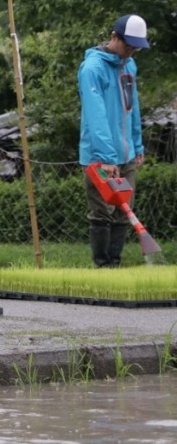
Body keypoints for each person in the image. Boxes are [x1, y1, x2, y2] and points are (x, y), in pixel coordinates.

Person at [77, 14, 149, 268]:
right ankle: (102, 266)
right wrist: (106, 158)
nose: (130, 51)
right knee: (101, 213)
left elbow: (133, 108)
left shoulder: (129, 66)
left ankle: (115, 265)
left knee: (123, 213)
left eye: (135, 47)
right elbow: (96, 117)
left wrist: (137, 145)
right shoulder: (92, 68)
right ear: (114, 37)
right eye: (127, 45)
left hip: (127, 154)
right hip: (99, 157)